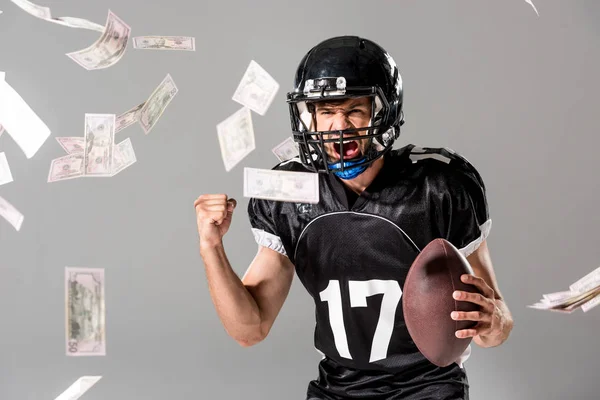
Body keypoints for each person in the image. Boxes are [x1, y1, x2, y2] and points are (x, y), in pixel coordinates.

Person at [194, 36, 514, 400]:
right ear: (308, 116)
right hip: (339, 389)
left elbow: (497, 325)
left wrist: (492, 321)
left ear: (384, 113)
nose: (338, 126)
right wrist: (211, 248)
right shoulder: (290, 194)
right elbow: (249, 329)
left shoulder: (437, 187)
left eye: (354, 110)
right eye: (326, 111)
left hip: (427, 389)